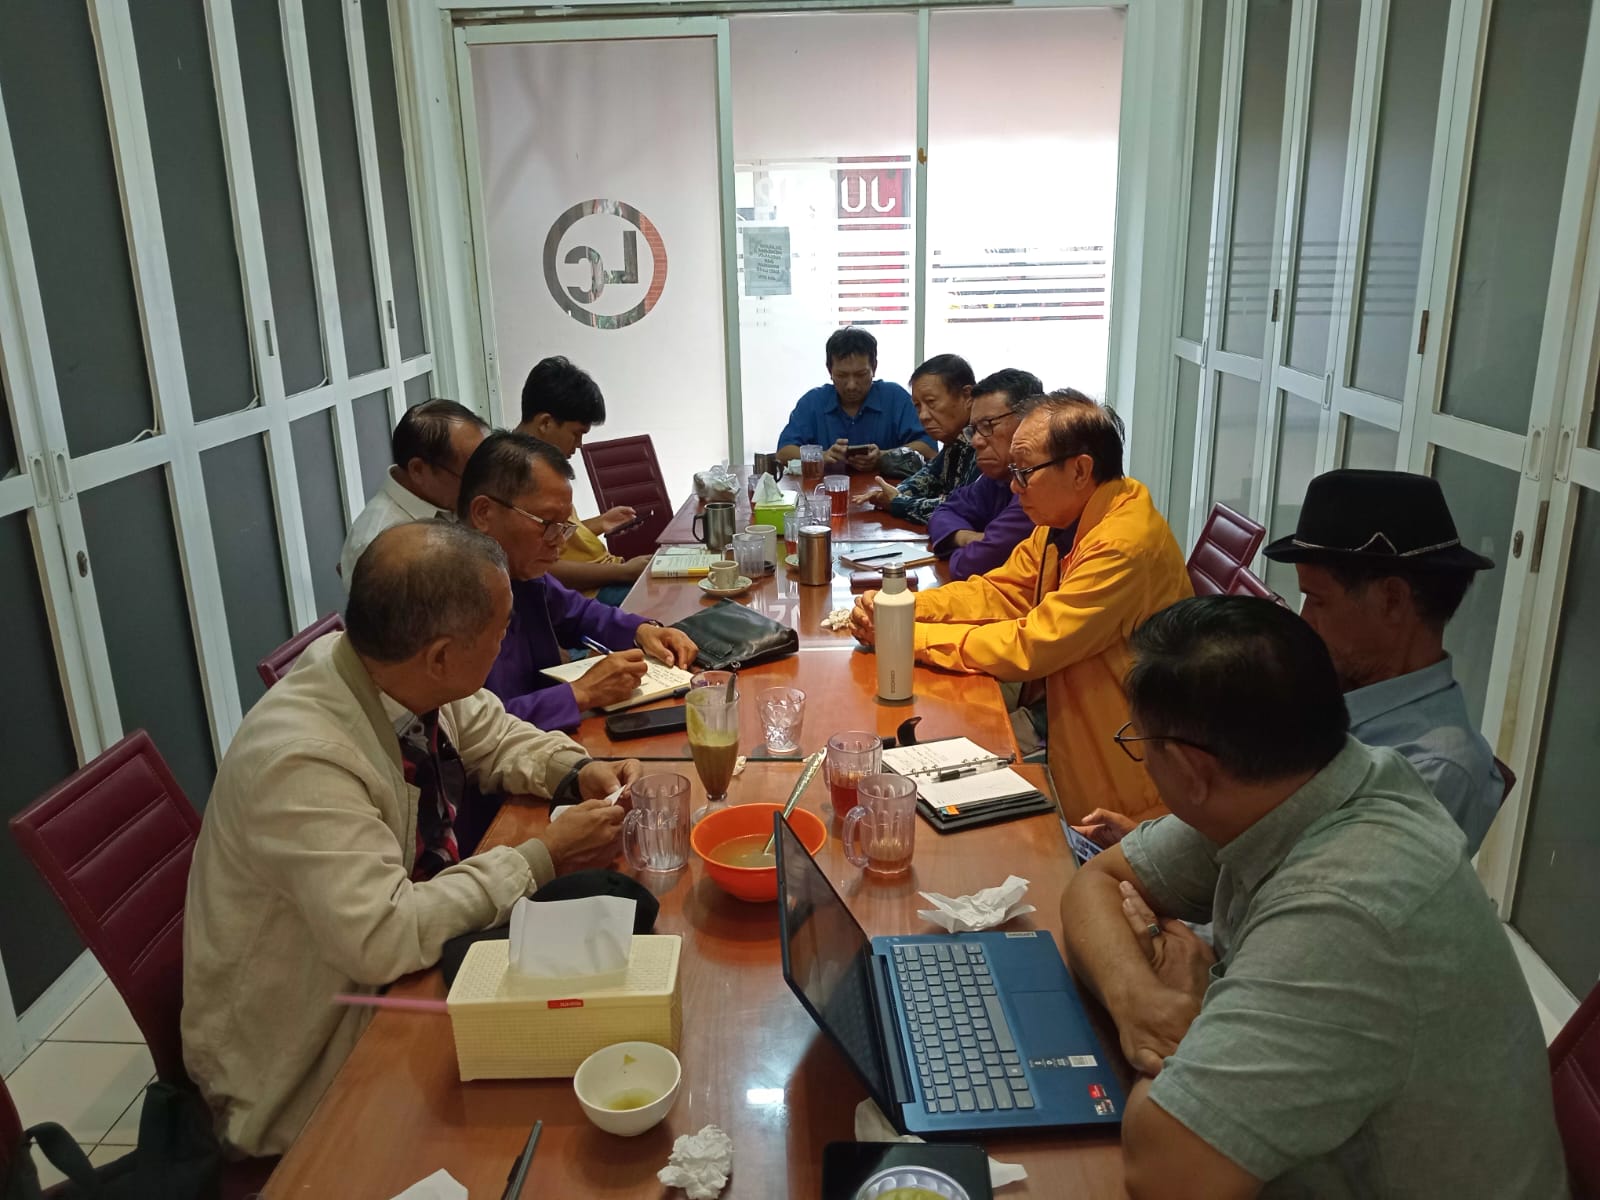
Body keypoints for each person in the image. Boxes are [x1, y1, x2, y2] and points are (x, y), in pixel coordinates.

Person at [1059, 596, 1566, 1198]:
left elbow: (1165, 1172)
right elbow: (1096, 881)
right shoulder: (1299, 777)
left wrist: (1197, 1004)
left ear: (1193, 770)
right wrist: (1141, 999)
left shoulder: (1347, 910)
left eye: (1139, 743)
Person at [183, 521, 640, 1157]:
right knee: (570, 1110)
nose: (507, 643)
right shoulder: (303, 762)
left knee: (618, 986)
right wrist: (543, 855)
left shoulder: (397, 675)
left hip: (392, 983)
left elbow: (496, 732)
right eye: (500, 631)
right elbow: (385, 935)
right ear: (442, 655)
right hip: (313, 1063)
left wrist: (574, 769)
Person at [1076, 469, 1504, 855]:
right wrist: (1151, 845)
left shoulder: (1432, 770)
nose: (1305, 620)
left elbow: (1318, 908)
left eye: (1317, 600)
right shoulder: (1320, 697)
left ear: (1391, 601)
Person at [850, 391, 1191, 821]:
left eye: (1024, 472)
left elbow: (1033, 644)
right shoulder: (1064, 522)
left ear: (1081, 470)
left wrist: (906, 638)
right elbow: (998, 591)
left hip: (1127, 773)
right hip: (1076, 737)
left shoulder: (1122, 545)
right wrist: (903, 607)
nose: (1013, 486)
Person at [460, 431, 698, 735]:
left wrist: (642, 630)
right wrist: (580, 693)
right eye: (547, 524)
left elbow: (578, 613)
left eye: (565, 528)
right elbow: (471, 732)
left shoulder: (521, 572)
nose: (559, 544)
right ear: (484, 512)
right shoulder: (449, 596)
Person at [516, 356, 652, 606]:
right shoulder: (517, 475)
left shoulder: (540, 463)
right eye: (576, 434)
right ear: (545, 423)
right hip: (588, 594)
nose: (579, 446)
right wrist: (625, 572)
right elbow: (544, 570)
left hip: (602, 578)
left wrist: (600, 522)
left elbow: (559, 539)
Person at [339, 399, 487, 585]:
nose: (482, 485)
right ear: (418, 470)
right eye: (469, 476)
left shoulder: (446, 499)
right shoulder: (377, 543)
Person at [925, 368, 1044, 579]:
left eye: (988, 426)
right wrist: (968, 538)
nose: (976, 441)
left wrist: (972, 545)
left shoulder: (1040, 482)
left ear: (1029, 421)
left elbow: (971, 564)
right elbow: (944, 512)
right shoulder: (998, 477)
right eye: (974, 429)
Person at [775, 327, 933, 470]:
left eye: (860, 375)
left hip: (885, 495)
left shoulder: (895, 397)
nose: (851, 385)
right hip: (824, 494)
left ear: (874, 367)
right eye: (842, 375)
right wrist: (821, 456)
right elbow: (783, 453)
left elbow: (928, 448)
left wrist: (883, 456)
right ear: (829, 370)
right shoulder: (813, 402)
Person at [859, 354, 980, 524]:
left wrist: (897, 501)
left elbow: (960, 509)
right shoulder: (954, 441)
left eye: (931, 402)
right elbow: (930, 476)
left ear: (967, 396)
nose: (923, 415)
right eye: (918, 406)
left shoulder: (985, 442)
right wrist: (892, 493)